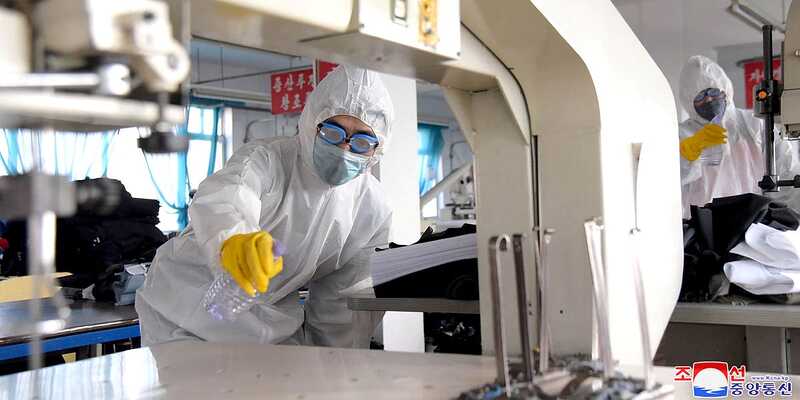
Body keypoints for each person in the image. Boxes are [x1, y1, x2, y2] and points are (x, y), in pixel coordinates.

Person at [136, 65, 394, 347]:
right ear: (312, 124)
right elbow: (227, 198)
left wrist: (335, 363)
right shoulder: (267, 159)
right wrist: (233, 239)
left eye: (361, 141)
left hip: (271, 323)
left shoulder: (371, 207)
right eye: (332, 133)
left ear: (378, 148)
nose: (344, 150)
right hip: (185, 308)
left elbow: (344, 300)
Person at [678, 55, 798, 217]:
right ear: (688, 101)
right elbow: (666, 181)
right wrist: (689, 154)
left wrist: (789, 218)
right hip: (705, 227)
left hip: (757, 224)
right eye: (700, 97)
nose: (709, 99)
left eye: (713, 92)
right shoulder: (683, 136)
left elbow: (788, 174)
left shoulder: (755, 125)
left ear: (725, 89)